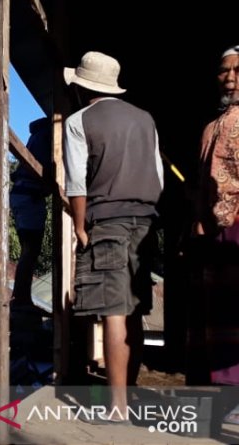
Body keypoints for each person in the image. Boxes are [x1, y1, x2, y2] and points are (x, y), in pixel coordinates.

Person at [62, 51, 164, 424]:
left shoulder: (78, 121)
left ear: (81, 87)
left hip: (108, 220)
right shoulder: (145, 119)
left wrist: (78, 226)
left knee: (114, 311)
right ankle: (130, 396)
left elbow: (76, 181)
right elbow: (158, 174)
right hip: (146, 222)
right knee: (135, 310)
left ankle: (118, 407)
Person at [193, 44, 239, 386]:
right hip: (218, 231)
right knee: (223, 314)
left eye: (238, 71)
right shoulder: (211, 127)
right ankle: (228, 391)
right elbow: (200, 182)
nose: (230, 79)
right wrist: (198, 218)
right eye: (224, 71)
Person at [10, 116, 52, 314]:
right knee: (31, 249)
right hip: (30, 195)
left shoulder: (37, 136)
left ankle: (21, 297)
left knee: (29, 248)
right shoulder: (47, 136)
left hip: (22, 194)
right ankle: (21, 298)